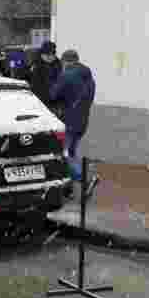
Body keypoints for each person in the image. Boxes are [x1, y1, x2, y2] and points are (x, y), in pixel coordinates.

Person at [50, 49, 98, 192]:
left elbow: (53, 94)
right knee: (71, 152)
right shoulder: (89, 78)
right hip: (82, 121)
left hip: (68, 121)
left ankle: (84, 179)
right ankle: (68, 187)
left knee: (65, 155)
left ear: (66, 62)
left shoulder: (66, 75)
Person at [26, 41, 62, 111]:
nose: (50, 57)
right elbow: (32, 83)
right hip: (39, 101)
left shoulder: (58, 64)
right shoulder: (35, 65)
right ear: (41, 54)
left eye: (52, 54)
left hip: (55, 101)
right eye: (47, 54)